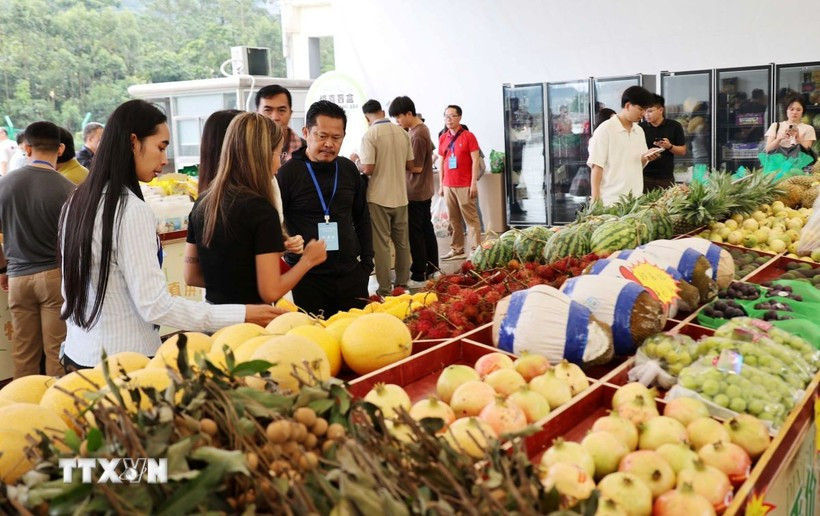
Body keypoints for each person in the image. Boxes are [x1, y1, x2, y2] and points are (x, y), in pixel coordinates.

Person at [59, 100, 283, 370]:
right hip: (127, 363)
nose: (165, 160)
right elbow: (155, 306)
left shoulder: (76, 201)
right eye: (161, 147)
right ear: (133, 142)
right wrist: (242, 313)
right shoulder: (130, 210)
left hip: (79, 354)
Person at [185, 113, 326, 305]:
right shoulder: (261, 210)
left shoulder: (203, 202)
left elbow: (191, 276)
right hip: (252, 318)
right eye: (278, 154)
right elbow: (271, 291)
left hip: (213, 315)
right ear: (263, 155)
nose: (279, 163)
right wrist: (308, 260)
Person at [277, 100, 373, 317]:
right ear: (306, 132)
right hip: (307, 277)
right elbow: (275, 222)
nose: (329, 144)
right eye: (322, 136)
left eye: (336, 138)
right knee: (314, 334)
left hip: (350, 274)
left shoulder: (348, 169)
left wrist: (367, 264)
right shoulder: (288, 173)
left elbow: (362, 217)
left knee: (355, 333)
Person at [0, 121, 75, 378]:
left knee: (24, 352)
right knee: (57, 351)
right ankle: (56, 400)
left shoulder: (5, 185)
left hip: (18, 278)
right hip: (55, 278)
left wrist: (3, 269)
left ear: (27, 148)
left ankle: (22, 400)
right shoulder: (69, 189)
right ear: (61, 149)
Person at [349, 100, 413, 296]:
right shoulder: (403, 133)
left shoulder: (370, 135)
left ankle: (384, 289)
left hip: (378, 197)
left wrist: (356, 161)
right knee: (402, 243)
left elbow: (368, 168)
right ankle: (402, 284)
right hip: (401, 196)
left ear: (366, 117)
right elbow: (410, 164)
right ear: (383, 112)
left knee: (382, 245)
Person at [389, 95, 438, 283]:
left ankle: (419, 270)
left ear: (409, 113)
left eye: (399, 117)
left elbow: (416, 167)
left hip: (416, 192)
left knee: (416, 233)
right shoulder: (419, 130)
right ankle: (432, 266)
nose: (398, 121)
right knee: (426, 229)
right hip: (422, 190)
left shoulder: (417, 134)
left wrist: (394, 163)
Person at [587, 86, 659, 206]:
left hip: (635, 200)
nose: (643, 114)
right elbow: (596, 166)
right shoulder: (605, 129)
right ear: (628, 105)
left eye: (646, 110)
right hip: (611, 202)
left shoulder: (639, 131)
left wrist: (647, 157)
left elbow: (638, 162)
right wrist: (595, 201)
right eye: (640, 109)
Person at [438, 105, 482, 260]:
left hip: (464, 184)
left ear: (460, 117)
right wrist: (441, 184)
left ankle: (476, 250)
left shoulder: (469, 136)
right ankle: (457, 249)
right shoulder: (443, 138)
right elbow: (441, 162)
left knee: (471, 218)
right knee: (453, 219)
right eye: (446, 116)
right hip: (448, 184)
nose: (449, 119)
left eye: (452, 116)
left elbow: (476, 160)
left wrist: (473, 183)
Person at [639, 94, 686, 192]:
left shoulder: (674, 126)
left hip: (666, 177)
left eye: (650, 111)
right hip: (644, 176)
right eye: (645, 111)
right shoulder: (639, 128)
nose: (646, 114)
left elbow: (682, 151)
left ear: (660, 110)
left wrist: (669, 146)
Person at [255, 84, 306, 166]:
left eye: (281, 110)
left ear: (290, 113)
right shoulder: (246, 149)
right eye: (268, 110)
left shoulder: (306, 150)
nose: (275, 117)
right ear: (257, 114)